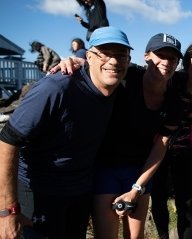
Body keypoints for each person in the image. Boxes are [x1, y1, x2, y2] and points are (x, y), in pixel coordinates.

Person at [0, 26, 132, 239]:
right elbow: (7, 140)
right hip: (38, 192)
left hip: (79, 192)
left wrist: (78, 57)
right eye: (105, 53)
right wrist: (7, 212)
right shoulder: (56, 88)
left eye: (121, 55)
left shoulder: (119, 84)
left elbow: (157, 72)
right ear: (90, 57)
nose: (114, 61)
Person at [52, 32, 184, 238]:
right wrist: (75, 60)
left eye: (172, 58)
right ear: (147, 56)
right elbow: (98, 66)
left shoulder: (174, 101)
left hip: (140, 170)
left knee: (135, 236)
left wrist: (137, 188)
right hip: (105, 167)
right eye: (160, 55)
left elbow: (161, 145)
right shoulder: (126, 76)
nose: (166, 62)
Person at [150, 41, 192, 239]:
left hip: (185, 149)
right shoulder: (171, 82)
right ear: (186, 68)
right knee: (159, 200)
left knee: (185, 203)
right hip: (158, 149)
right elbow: (136, 72)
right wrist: (79, 61)